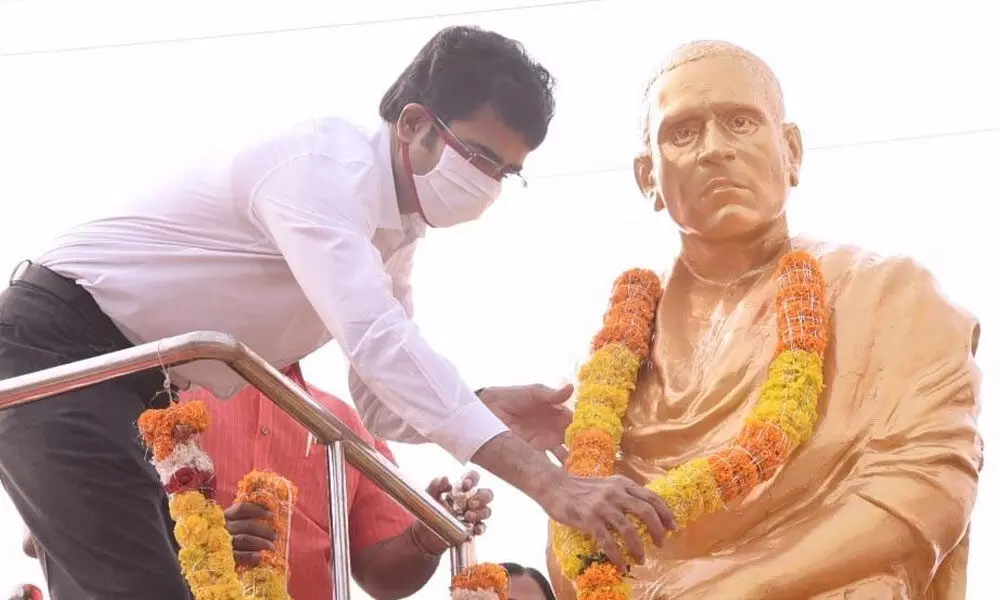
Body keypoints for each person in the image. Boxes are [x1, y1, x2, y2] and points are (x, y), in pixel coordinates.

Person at [0, 24, 671, 600]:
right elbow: (377, 340)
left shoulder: (395, 232)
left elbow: (378, 401)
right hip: (64, 349)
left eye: (508, 171)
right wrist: (547, 484)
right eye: (481, 157)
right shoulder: (321, 171)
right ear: (414, 125)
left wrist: (487, 405)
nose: (489, 185)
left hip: (132, 384)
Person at [546, 40, 982, 599]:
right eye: (682, 133)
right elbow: (575, 549)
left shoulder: (887, 291)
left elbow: (925, 490)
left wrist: (730, 587)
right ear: (647, 177)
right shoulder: (610, 362)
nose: (714, 150)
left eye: (741, 122)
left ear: (792, 150)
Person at [20, 363, 492, 600]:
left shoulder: (342, 424)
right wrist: (186, 538)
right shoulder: (154, 390)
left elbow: (379, 575)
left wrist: (423, 539)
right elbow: (63, 521)